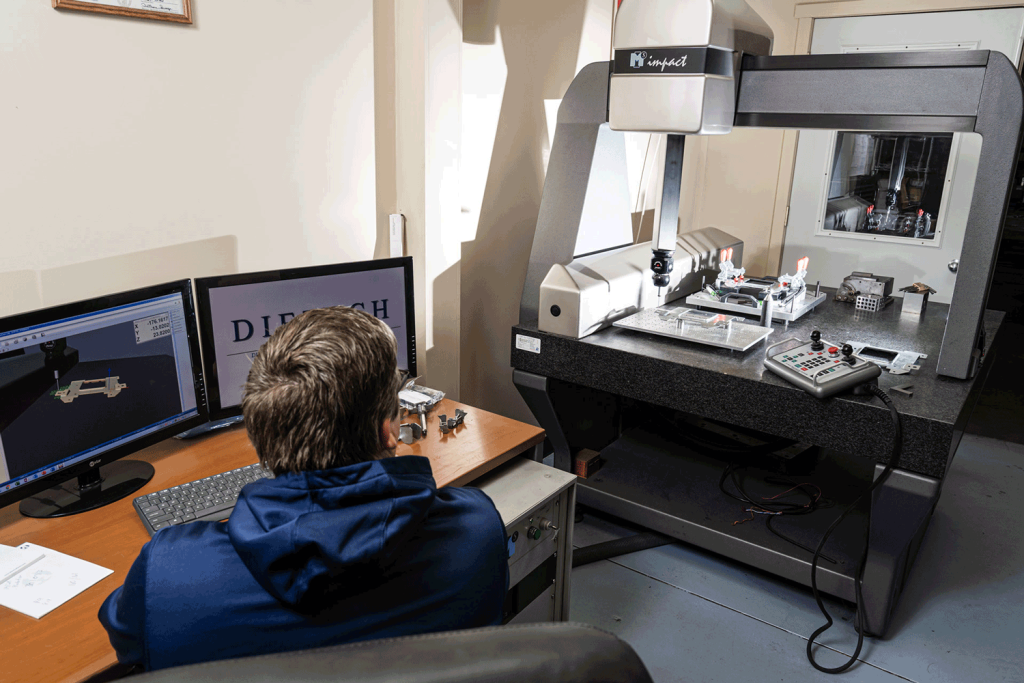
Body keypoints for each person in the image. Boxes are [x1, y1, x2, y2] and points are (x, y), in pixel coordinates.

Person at [98, 306, 509, 671]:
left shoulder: (167, 574)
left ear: (260, 441)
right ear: (388, 431)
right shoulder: (475, 529)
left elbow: (126, 637)